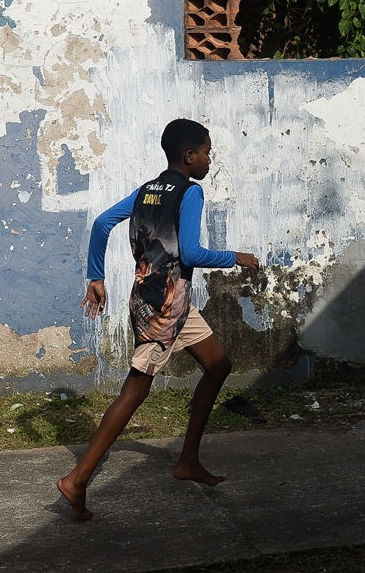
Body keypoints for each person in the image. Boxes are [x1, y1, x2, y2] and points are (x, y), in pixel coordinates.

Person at [57, 118, 259, 521]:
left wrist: (96, 275)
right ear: (189, 156)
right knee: (135, 391)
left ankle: (187, 461)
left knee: (218, 365)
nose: (208, 158)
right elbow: (192, 254)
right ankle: (76, 480)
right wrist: (237, 257)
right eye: (206, 152)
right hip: (163, 308)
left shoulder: (148, 190)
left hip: (168, 300)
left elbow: (102, 224)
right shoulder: (190, 192)